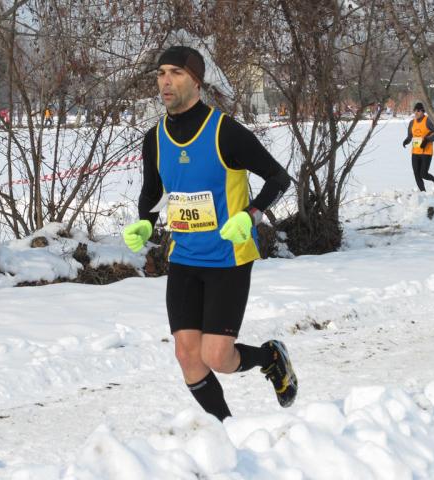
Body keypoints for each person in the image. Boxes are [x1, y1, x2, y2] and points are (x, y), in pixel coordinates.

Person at [122, 46, 297, 421]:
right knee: (187, 355)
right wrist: (145, 221)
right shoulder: (154, 137)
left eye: (176, 73)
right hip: (184, 257)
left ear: (197, 82)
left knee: (216, 356)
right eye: (161, 73)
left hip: (227, 258)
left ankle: (270, 357)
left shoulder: (225, 132)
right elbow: (152, 192)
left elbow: (279, 178)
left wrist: (251, 215)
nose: (165, 81)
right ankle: (227, 432)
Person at [402, 102, 434, 192]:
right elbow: (410, 136)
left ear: (423, 111)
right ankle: (423, 193)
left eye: (418, 111)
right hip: (415, 152)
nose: (416, 113)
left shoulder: (428, 121)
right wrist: (406, 141)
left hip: (426, 152)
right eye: (415, 111)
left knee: (423, 174)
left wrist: (427, 140)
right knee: (416, 174)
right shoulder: (412, 122)